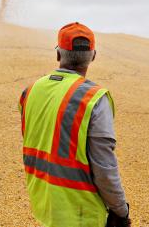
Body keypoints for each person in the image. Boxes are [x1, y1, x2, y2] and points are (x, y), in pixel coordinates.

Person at [19, 22, 131, 227]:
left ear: (58, 54)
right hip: (81, 213)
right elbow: (104, 165)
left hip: (43, 203)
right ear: (93, 56)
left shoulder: (30, 91)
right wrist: (120, 210)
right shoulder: (93, 98)